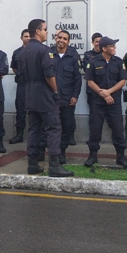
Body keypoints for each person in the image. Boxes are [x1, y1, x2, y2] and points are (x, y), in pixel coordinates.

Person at [18, 19, 73, 177]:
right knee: (54, 127)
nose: (47, 32)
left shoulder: (24, 51)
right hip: (44, 93)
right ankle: (54, 165)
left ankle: (32, 163)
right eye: (45, 29)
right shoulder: (44, 50)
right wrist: (55, 91)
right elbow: (49, 74)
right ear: (37, 31)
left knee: (34, 129)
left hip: (29, 93)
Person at [83, 36, 127, 169]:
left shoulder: (118, 62)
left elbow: (122, 81)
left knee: (118, 128)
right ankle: (92, 155)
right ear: (104, 48)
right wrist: (102, 93)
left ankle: (121, 156)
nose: (114, 48)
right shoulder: (93, 62)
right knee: (95, 128)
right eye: (112, 46)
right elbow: (90, 81)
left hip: (114, 102)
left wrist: (109, 92)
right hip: (98, 102)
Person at [54, 30, 82, 166]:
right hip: (51, 98)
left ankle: (62, 152)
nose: (61, 40)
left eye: (65, 39)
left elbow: (77, 79)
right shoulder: (48, 54)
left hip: (67, 98)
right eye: (60, 37)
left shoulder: (73, 57)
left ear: (68, 42)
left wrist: (75, 96)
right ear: (56, 38)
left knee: (66, 126)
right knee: (49, 126)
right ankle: (45, 152)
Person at [8, 29, 31, 144]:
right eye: (25, 36)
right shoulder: (17, 52)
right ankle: (19, 134)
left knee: (35, 110)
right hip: (21, 84)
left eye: (29, 36)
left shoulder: (36, 51)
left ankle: (35, 136)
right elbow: (14, 68)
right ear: (21, 38)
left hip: (33, 84)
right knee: (20, 110)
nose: (28, 38)